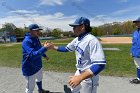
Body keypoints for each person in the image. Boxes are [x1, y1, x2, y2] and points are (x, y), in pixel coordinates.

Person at [49, 17, 106, 93]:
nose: (73, 29)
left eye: (75, 26)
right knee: (74, 89)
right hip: (79, 71)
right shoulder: (77, 39)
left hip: (88, 76)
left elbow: (100, 65)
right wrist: (53, 47)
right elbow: (66, 48)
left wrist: (80, 78)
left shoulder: (92, 40)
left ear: (82, 27)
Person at [22, 24, 51, 93]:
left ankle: (40, 90)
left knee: (39, 78)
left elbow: (39, 48)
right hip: (30, 68)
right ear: (30, 31)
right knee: (30, 88)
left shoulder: (36, 38)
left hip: (38, 64)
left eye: (39, 30)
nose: (38, 32)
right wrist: (44, 48)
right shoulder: (26, 41)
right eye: (36, 30)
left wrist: (44, 55)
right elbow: (32, 55)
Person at [130, 17, 140, 84]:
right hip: (136, 52)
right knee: (138, 66)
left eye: (137, 22)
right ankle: (138, 78)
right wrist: (131, 51)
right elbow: (133, 43)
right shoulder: (135, 32)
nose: (136, 23)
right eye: (135, 22)